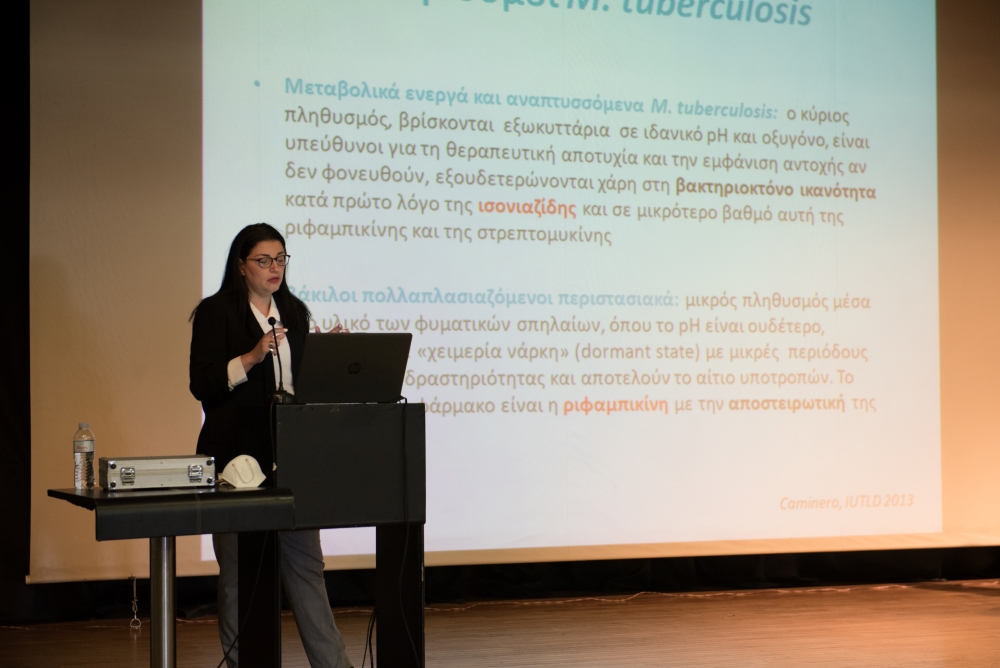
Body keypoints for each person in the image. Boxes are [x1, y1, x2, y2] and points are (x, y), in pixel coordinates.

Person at [189, 223, 353, 668]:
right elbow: (202, 384)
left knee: (307, 568)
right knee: (239, 576)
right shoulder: (216, 313)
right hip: (235, 460)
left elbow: (300, 390)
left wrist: (326, 360)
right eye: (263, 260)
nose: (274, 268)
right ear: (241, 266)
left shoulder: (294, 311)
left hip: (291, 457)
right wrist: (252, 356)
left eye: (280, 259)